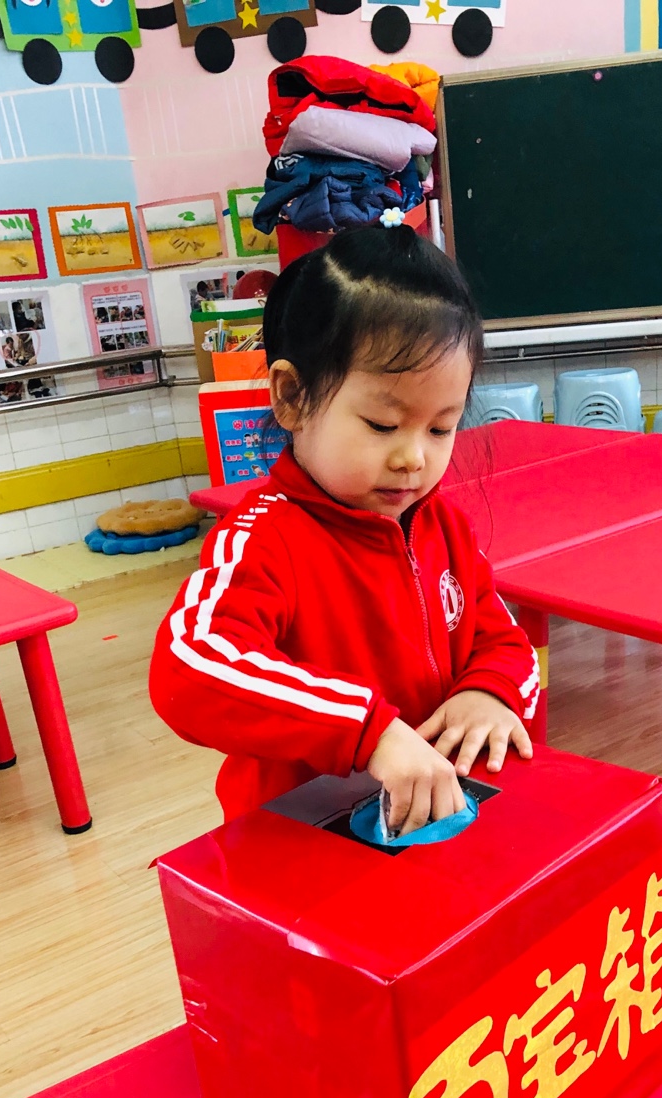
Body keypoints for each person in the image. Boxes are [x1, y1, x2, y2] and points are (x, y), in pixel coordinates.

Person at [151, 225, 538, 835]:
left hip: (429, 824)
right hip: (303, 842)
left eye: (441, 428)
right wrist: (367, 730)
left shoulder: (443, 528)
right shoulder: (262, 539)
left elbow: (508, 642)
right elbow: (188, 668)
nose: (413, 458)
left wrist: (489, 693)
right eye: (383, 425)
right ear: (291, 397)